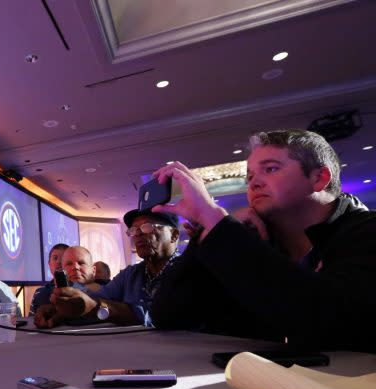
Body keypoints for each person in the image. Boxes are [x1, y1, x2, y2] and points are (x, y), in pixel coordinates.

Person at [149, 129, 376, 353]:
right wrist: (205, 236)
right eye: (250, 177)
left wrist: (215, 221)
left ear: (319, 178)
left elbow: (330, 321)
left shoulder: (365, 231)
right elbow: (169, 315)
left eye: (270, 169)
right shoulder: (250, 238)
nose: (254, 183)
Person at [43, 210, 180, 328]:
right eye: (134, 229)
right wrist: (59, 310)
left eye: (147, 227)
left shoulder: (189, 270)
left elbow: (159, 316)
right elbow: (94, 298)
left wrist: (97, 307)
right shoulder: (130, 274)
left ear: (174, 235)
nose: (137, 234)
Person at [34, 246, 103, 328]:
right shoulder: (43, 295)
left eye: (81, 263)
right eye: (69, 264)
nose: (75, 267)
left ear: (93, 270)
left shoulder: (112, 290)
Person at [29, 243, 68, 316]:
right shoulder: (39, 292)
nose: (59, 262)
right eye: (55, 258)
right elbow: (31, 321)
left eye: (63, 258)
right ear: (49, 264)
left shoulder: (80, 289)